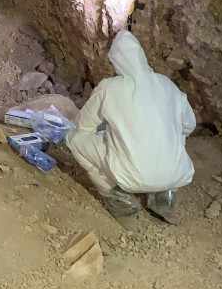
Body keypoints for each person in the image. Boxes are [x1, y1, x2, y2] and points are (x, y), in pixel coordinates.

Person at [67, 30, 196, 222]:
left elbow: (83, 126)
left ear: (115, 61)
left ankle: (118, 197)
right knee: (177, 132)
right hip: (178, 174)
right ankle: (165, 196)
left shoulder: (109, 87)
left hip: (130, 178)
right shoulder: (166, 84)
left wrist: (111, 132)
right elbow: (189, 125)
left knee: (74, 139)